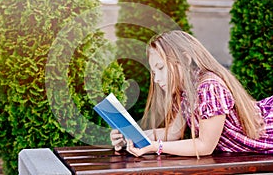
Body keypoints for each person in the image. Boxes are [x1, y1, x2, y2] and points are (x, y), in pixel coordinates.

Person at [110, 30, 273, 157]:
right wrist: (130, 137)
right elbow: (173, 132)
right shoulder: (186, 92)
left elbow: (205, 146)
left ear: (185, 59)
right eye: (154, 72)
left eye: (161, 68)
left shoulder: (209, 87)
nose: (157, 79)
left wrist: (156, 147)